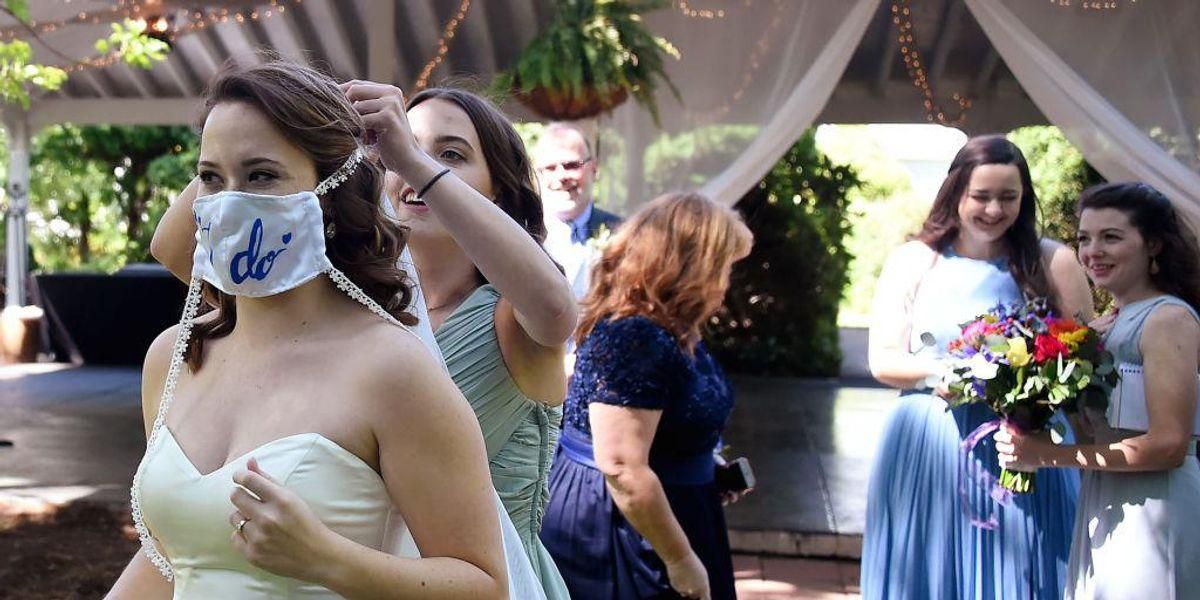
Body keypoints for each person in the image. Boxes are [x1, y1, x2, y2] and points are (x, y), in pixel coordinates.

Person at [149, 82, 576, 598]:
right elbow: (178, 248)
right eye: (399, 147)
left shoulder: (510, 318)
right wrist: (277, 119)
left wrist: (412, 159)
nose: (412, 167)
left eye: (450, 154)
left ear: (498, 191)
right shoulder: (324, 312)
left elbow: (556, 310)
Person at [861, 135, 1095, 599]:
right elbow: (882, 358)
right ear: (955, 194)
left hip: (1026, 444)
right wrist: (947, 374)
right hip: (931, 442)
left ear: (1024, 199)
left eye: (1008, 197)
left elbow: (1083, 358)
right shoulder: (915, 260)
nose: (993, 209)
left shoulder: (1054, 261)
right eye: (981, 196)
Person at [540, 192, 753, 600]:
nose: (727, 282)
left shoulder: (673, 326)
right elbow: (621, 466)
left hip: (674, 505)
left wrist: (703, 462)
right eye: (725, 266)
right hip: (619, 523)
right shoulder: (634, 337)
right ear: (693, 267)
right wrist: (680, 559)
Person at [995, 182, 1200, 599]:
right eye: (1084, 238)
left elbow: (1169, 445)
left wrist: (1047, 456)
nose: (1092, 252)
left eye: (1111, 237)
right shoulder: (1105, 324)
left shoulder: (1167, 319)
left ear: (1154, 244)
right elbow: (1098, 431)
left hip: (1157, 503)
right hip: (1106, 496)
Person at [533, 122, 621, 299]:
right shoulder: (524, 233)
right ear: (537, 175)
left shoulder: (623, 233)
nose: (561, 176)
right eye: (550, 168)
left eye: (572, 165)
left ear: (594, 168)